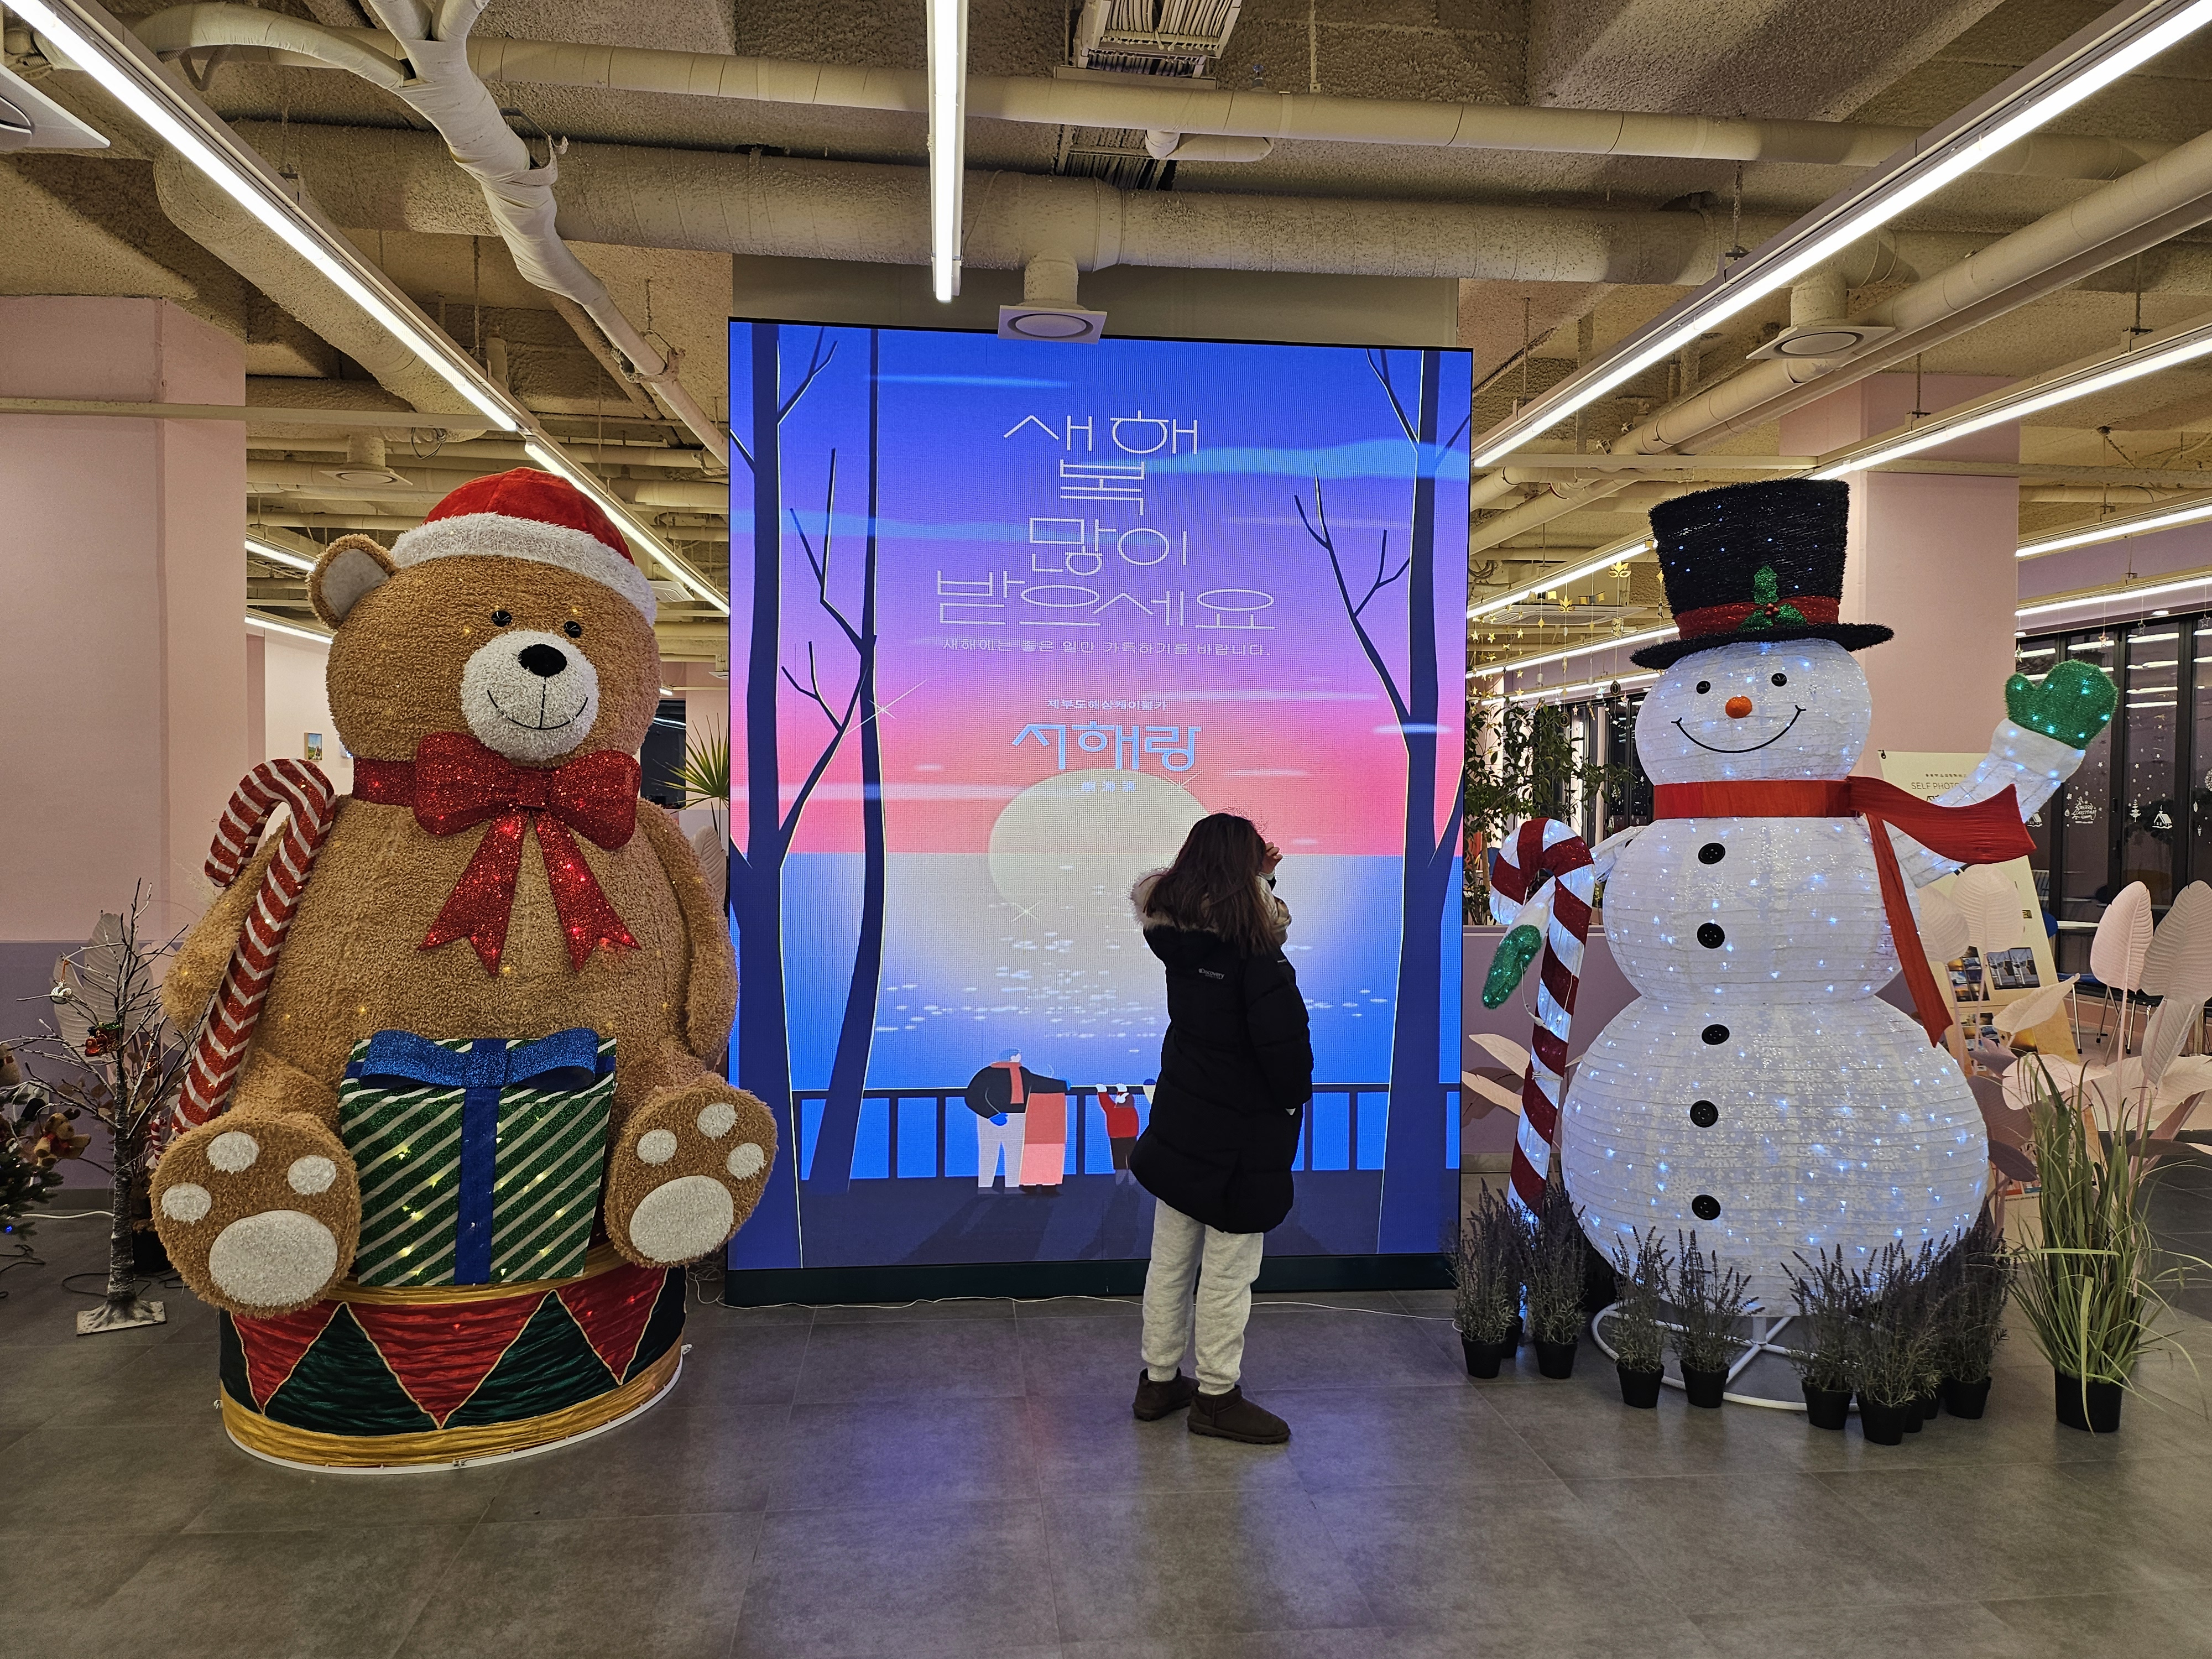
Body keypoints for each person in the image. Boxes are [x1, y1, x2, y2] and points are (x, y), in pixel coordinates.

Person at [1126, 813, 1313, 1444]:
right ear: (1245, 873)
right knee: (1229, 1272)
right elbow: (1286, 1057)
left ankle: (1158, 1381)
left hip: (1184, 1124)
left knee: (1171, 1259)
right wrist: (1290, 1105)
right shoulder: (1256, 958)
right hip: (1240, 1143)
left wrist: (1258, 878)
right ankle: (1215, 1396)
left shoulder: (1181, 945)